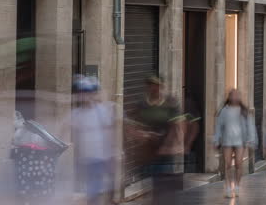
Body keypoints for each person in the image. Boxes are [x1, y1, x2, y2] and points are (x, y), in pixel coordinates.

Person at [126, 75, 188, 204]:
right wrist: (138, 134)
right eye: (150, 85)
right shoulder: (142, 103)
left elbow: (177, 125)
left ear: (162, 86)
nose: (153, 88)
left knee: (162, 184)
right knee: (150, 182)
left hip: (166, 149)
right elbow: (130, 122)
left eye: (156, 85)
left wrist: (169, 146)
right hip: (147, 150)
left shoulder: (171, 102)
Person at [70, 75, 116, 205]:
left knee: (93, 192)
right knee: (90, 192)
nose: (83, 96)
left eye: (86, 92)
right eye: (81, 93)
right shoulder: (76, 114)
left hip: (100, 159)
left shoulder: (102, 111)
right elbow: (70, 134)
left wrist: (111, 156)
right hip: (84, 160)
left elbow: (109, 134)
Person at [213, 88, 257, 198]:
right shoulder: (224, 110)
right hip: (227, 141)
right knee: (227, 165)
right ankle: (228, 187)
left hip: (240, 141)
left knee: (238, 164)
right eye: (233, 95)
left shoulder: (244, 111)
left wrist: (251, 139)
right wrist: (216, 139)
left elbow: (250, 125)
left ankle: (237, 186)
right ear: (229, 97)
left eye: (237, 95)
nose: (235, 97)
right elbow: (219, 125)